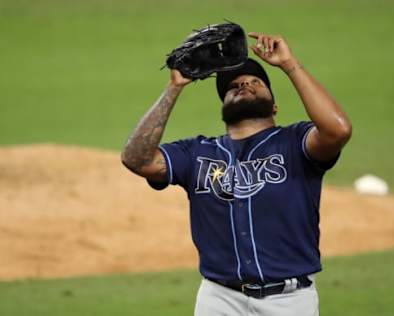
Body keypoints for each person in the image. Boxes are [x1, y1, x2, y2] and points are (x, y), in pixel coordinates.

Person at [121, 32, 352, 316]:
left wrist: (289, 64)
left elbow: (338, 129)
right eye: (234, 85)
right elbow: (136, 159)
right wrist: (174, 87)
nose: (244, 84)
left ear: (274, 105)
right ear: (223, 108)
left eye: (256, 82)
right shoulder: (197, 152)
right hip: (219, 300)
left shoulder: (296, 142)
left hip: (289, 302)